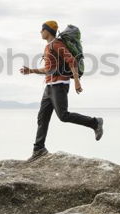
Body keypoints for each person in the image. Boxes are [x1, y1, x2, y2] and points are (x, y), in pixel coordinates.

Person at [20, 20, 103, 162]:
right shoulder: (48, 47)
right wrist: (31, 71)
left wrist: (77, 81)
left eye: (42, 29)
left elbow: (72, 61)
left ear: (48, 31)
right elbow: (48, 69)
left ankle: (95, 123)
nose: (40, 32)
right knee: (42, 118)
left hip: (59, 85)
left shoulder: (57, 44)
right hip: (49, 86)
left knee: (63, 115)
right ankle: (39, 149)